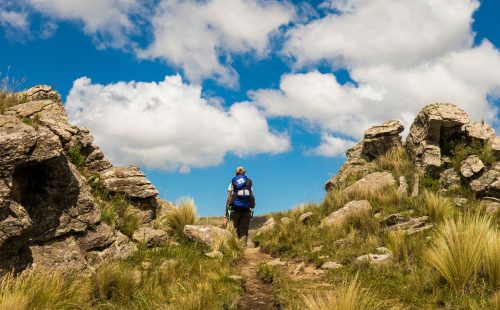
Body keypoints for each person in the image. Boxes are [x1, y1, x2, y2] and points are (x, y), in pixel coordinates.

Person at [224, 166, 255, 246]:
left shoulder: (233, 182)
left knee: (234, 229)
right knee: (244, 230)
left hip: (234, 209)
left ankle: (236, 249)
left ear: (236, 173)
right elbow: (252, 195)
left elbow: (228, 198)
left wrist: (226, 214)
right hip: (246, 210)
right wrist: (251, 207)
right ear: (244, 172)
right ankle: (243, 247)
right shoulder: (249, 181)